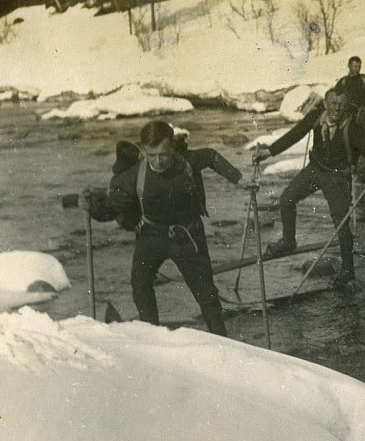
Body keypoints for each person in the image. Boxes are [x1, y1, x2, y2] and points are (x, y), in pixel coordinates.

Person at [81, 121, 250, 336]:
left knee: (206, 294)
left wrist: (239, 179)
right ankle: (153, 336)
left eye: (164, 154)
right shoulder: (134, 176)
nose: (158, 161)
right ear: (143, 150)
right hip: (152, 236)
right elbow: (112, 210)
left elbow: (211, 156)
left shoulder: (186, 163)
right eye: (152, 155)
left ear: (172, 148)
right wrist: (91, 207)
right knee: (140, 285)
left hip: (188, 236)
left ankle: (222, 343)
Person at [254, 88, 365, 289]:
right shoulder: (316, 117)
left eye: (341, 104)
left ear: (346, 106)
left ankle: (347, 272)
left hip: (338, 178)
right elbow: (294, 135)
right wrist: (269, 152)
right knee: (287, 199)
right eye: (333, 103)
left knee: (341, 223)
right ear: (325, 104)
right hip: (315, 170)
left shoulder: (352, 127)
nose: (337, 108)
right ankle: (289, 240)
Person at [335, 56, 365, 128]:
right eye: (354, 66)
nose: (357, 69)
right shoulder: (343, 82)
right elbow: (336, 97)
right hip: (348, 116)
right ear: (349, 66)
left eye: (359, 66)